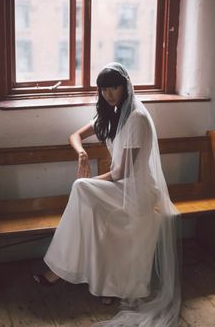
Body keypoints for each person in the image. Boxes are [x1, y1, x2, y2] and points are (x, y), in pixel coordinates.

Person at [34, 62, 181, 326]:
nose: (109, 94)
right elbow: (75, 135)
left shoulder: (136, 117)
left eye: (114, 87)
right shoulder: (112, 112)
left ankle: (61, 271)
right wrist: (82, 153)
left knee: (81, 189)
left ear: (125, 86)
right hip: (120, 189)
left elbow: (122, 172)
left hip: (138, 192)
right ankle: (101, 284)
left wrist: (88, 181)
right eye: (103, 89)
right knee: (85, 202)